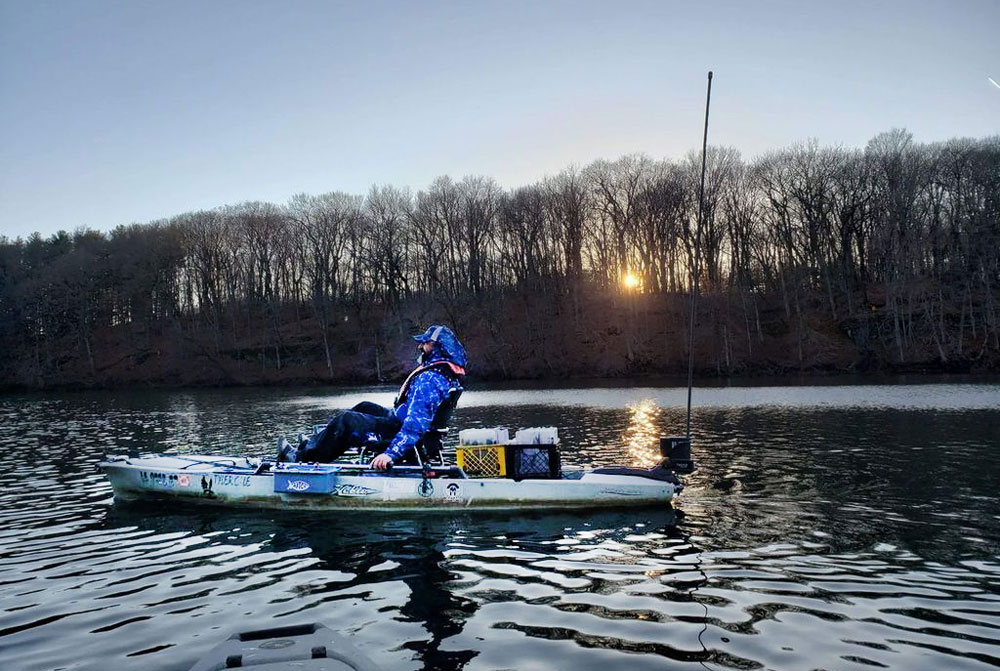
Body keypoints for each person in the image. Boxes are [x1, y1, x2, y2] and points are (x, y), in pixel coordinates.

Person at [278, 324, 466, 470]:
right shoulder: (444, 375)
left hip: (400, 434)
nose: (420, 346)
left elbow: (416, 424)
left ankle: (301, 458)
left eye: (425, 343)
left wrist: (391, 454)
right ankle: (313, 444)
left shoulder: (429, 380)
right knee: (365, 406)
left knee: (347, 420)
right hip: (401, 425)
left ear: (437, 347)